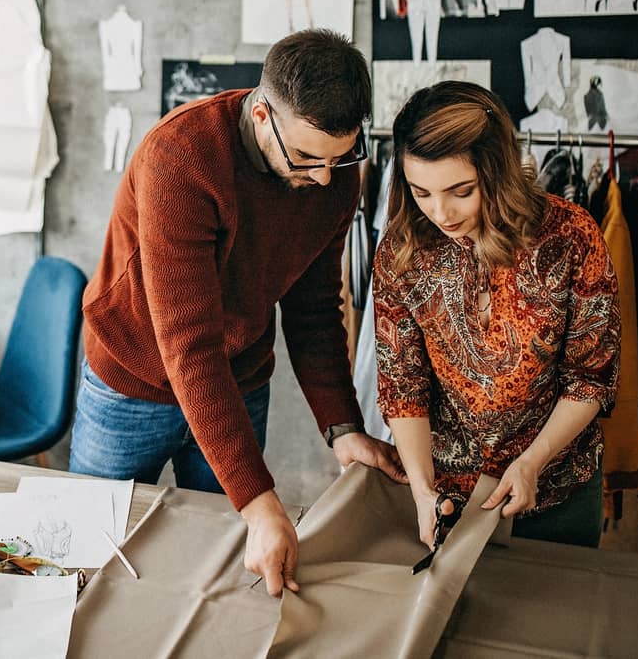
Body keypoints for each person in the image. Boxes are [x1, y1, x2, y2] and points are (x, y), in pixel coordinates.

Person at [71, 29, 408, 598]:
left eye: (340, 156)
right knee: (89, 558)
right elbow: (189, 345)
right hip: (131, 382)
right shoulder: (182, 157)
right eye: (305, 157)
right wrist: (259, 500)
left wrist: (344, 426)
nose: (324, 178)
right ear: (260, 114)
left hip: (239, 379)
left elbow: (316, 312)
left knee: (227, 571)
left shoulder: (335, 173)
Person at [374, 81, 619, 551]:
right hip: (446, 488)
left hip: (556, 480)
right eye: (420, 191)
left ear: (498, 172)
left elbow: (590, 376)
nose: (440, 212)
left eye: (460, 191)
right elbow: (402, 386)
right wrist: (424, 491)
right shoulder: (403, 250)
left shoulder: (571, 236)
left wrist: (533, 461)